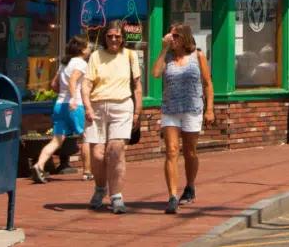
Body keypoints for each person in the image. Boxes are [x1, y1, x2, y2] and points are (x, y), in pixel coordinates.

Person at [152, 23, 214, 214]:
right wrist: (163, 49)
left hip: (192, 108)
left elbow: (207, 83)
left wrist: (210, 109)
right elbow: (155, 74)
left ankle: (190, 185)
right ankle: (172, 196)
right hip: (171, 109)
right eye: (171, 36)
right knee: (171, 151)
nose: (173, 39)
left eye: (176, 36)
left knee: (190, 152)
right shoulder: (168, 56)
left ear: (185, 37)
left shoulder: (198, 56)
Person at [81, 20, 142, 214]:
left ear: (123, 38)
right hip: (97, 107)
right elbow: (86, 85)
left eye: (118, 36)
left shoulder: (130, 56)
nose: (114, 39)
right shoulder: (95, 56)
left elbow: (138, 87)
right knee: (98, 155)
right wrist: (88, 107)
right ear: (104, 37)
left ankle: (116, 196)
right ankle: (100, 189)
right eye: (110, 36)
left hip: (122, 105)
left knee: (116, 150)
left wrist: (137, 113)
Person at [32, 35, 91, 184]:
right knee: (86, 138)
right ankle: (87, 172)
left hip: (59, 105)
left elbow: (53, 84)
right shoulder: (81, 63)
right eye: (88, 46)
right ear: (82, 49)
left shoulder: (64, 64)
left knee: (57, 140)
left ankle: (39, 165)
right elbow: (72, 80)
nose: (90, 49)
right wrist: (72, 98)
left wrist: (64, 95)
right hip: (75, 104)